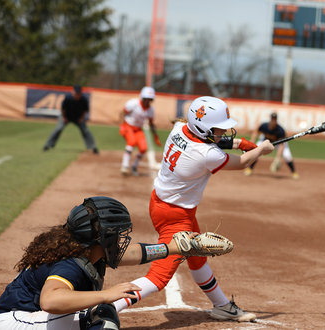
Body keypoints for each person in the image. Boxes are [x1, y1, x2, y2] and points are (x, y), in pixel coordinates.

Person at [112, 96, 273, 322]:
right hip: (176, 217)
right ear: (204, 128)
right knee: (158, 277)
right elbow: (243, 163)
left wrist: (242, 143)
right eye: (218, 129)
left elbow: (212, 141)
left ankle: (222, 306)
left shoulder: (180, 128)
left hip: (162, 203)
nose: (222, 133)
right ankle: (108, 306)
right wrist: (261, 149)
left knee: (197, 258)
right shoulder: (208, 154)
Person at [0, 196, 218, 330]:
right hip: (12, 322)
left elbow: (135, 253)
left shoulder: (84, 247)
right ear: (102, 238)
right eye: (116, 234)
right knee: (100, 315)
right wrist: (106, 295)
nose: (120, 239)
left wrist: (176, 248)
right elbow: (50, 299)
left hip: (26, 318)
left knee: (96, 311)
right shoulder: (71, 263)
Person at [119, 86, 162, 176]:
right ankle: (125, 166)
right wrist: (122, 126)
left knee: (143, 148)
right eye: (146, 98)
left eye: (149, 99)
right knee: (131, 142)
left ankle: (134, 166)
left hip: (138, 129)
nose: (147, 101)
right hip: (128, 126)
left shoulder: (150, 110)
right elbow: (122, 112)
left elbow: (151, 123)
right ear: (142, 97)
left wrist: (155, 135)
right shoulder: (133, 103)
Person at [43, 85, 99, 154]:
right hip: (66, 116)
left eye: (79, 94)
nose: (78, 95)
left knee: (85, 130)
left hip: (77, 117)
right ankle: (48, 145)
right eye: (76, 93)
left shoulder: (84, 100)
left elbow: (85, 110)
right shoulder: (68, 98)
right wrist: (64, 117)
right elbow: (63, 109)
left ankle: (93, 147)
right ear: (73, 92)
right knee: (58, 128)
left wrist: (81, 118)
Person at [245, 112, 299, 179]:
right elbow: (256, 131)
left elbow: (282, 145)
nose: (273, 120)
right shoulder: (264, 126)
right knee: (257, 151)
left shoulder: (280, 130)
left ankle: (293, 172)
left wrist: (278, 158)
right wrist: (252, 140)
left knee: (287, 156)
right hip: (265, 141)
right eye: (272, 119)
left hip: (278, 142)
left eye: (275, 119)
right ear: (270, 119)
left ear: (276, 120)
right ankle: (250, 169)